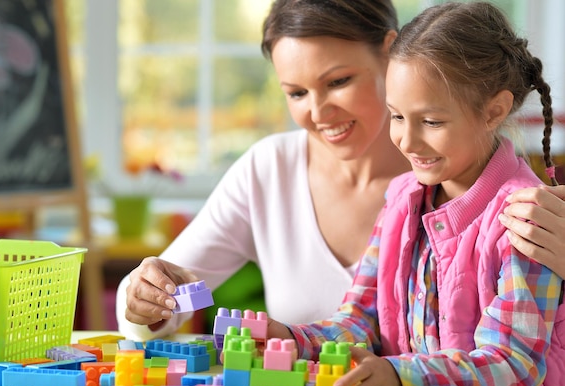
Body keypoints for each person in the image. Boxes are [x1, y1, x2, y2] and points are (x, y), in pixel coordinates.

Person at [116, 0, 565, 343]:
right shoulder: (268, 171)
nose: (318, 112)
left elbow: (523, 352)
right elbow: (168, 291)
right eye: (295, 93)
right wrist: (144, 301)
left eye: (338, 82)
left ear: (393, 54)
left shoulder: (470, 190)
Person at [267, 2, 564, 386]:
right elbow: (359, 321)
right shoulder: (401, 198)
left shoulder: (527, 220)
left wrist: (403, 377)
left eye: (431, 122)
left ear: (493, 110)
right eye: (396, 116)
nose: (405, 140)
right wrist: (289, 340)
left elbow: (511, 367)